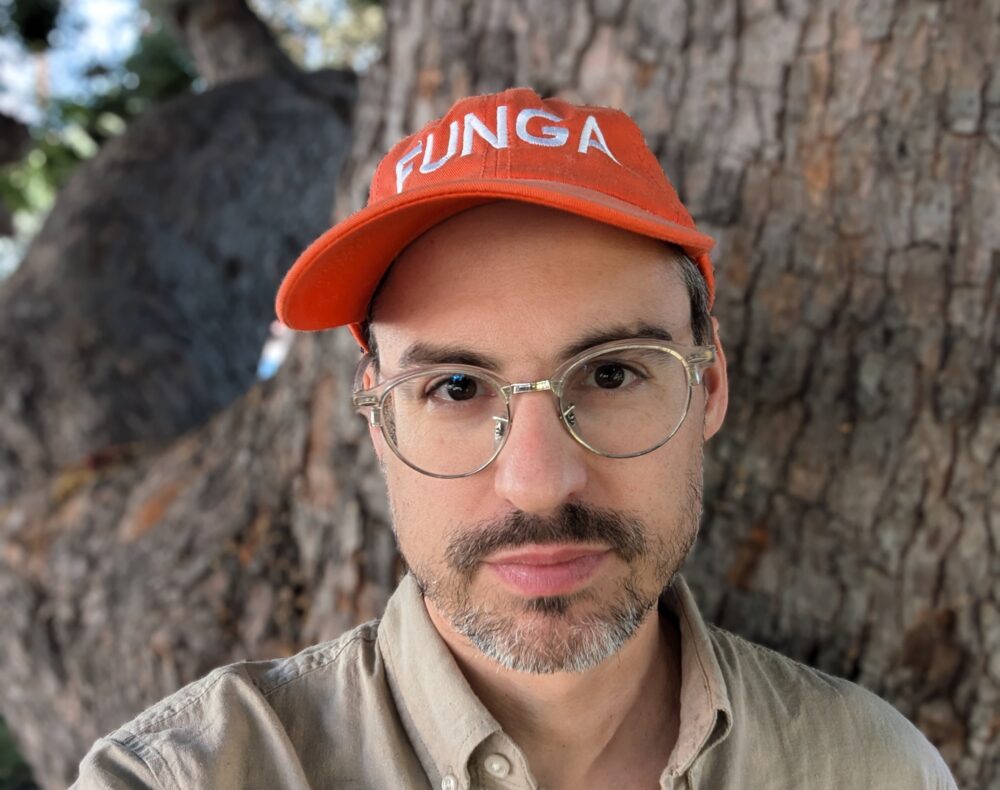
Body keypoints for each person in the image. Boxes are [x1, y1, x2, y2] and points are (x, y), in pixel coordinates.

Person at [74, 88, 957, 789]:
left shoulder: (875, 769)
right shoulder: (185, 777)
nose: (538, 483)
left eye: (612, 374)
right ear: (379, 419)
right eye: (455, 388)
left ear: (710, 388)